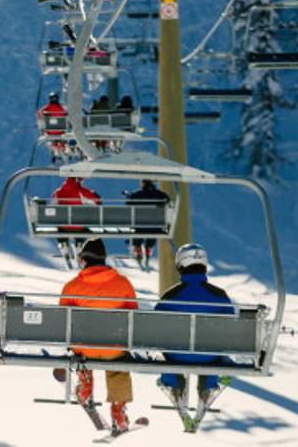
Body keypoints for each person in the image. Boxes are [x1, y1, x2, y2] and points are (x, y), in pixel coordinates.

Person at [60, 239, 138, 434]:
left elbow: (61, 319)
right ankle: (118, 410)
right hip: (114, 349)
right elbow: (133, 315)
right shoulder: (123, 283)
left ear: (84, 260)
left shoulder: (73, 286)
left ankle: (85, 385)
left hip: (84, 349)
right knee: (119, 367)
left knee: (82, 351)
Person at [156, 244, 234, 417]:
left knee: (165, 351)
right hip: (209, 356)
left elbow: (154, 327)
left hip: (176, 355)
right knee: (217, 350)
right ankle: (209, 383)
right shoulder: (219, 295)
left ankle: (172, 381)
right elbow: (232, 329)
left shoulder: (170, 296)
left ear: (180, 265)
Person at [125, 180, 170, 267]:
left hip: (139, 226)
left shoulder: (137, 194)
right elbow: (167, 200)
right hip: (156, 226)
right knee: (152, 232)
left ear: (143, 184)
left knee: (137, 233)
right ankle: (148, 250)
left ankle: (138, 251)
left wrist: (128, 196)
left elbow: (128, 203)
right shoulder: (159, 194)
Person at [37, 92, 68, 162]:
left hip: (50, 131)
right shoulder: (60, 108)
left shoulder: (47, 108)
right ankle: (62, 148)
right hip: (61, 130)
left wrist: (42, 122)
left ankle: (55, 149)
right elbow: (66, 114)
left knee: (52, 140)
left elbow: (39, 114)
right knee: (62, 139)